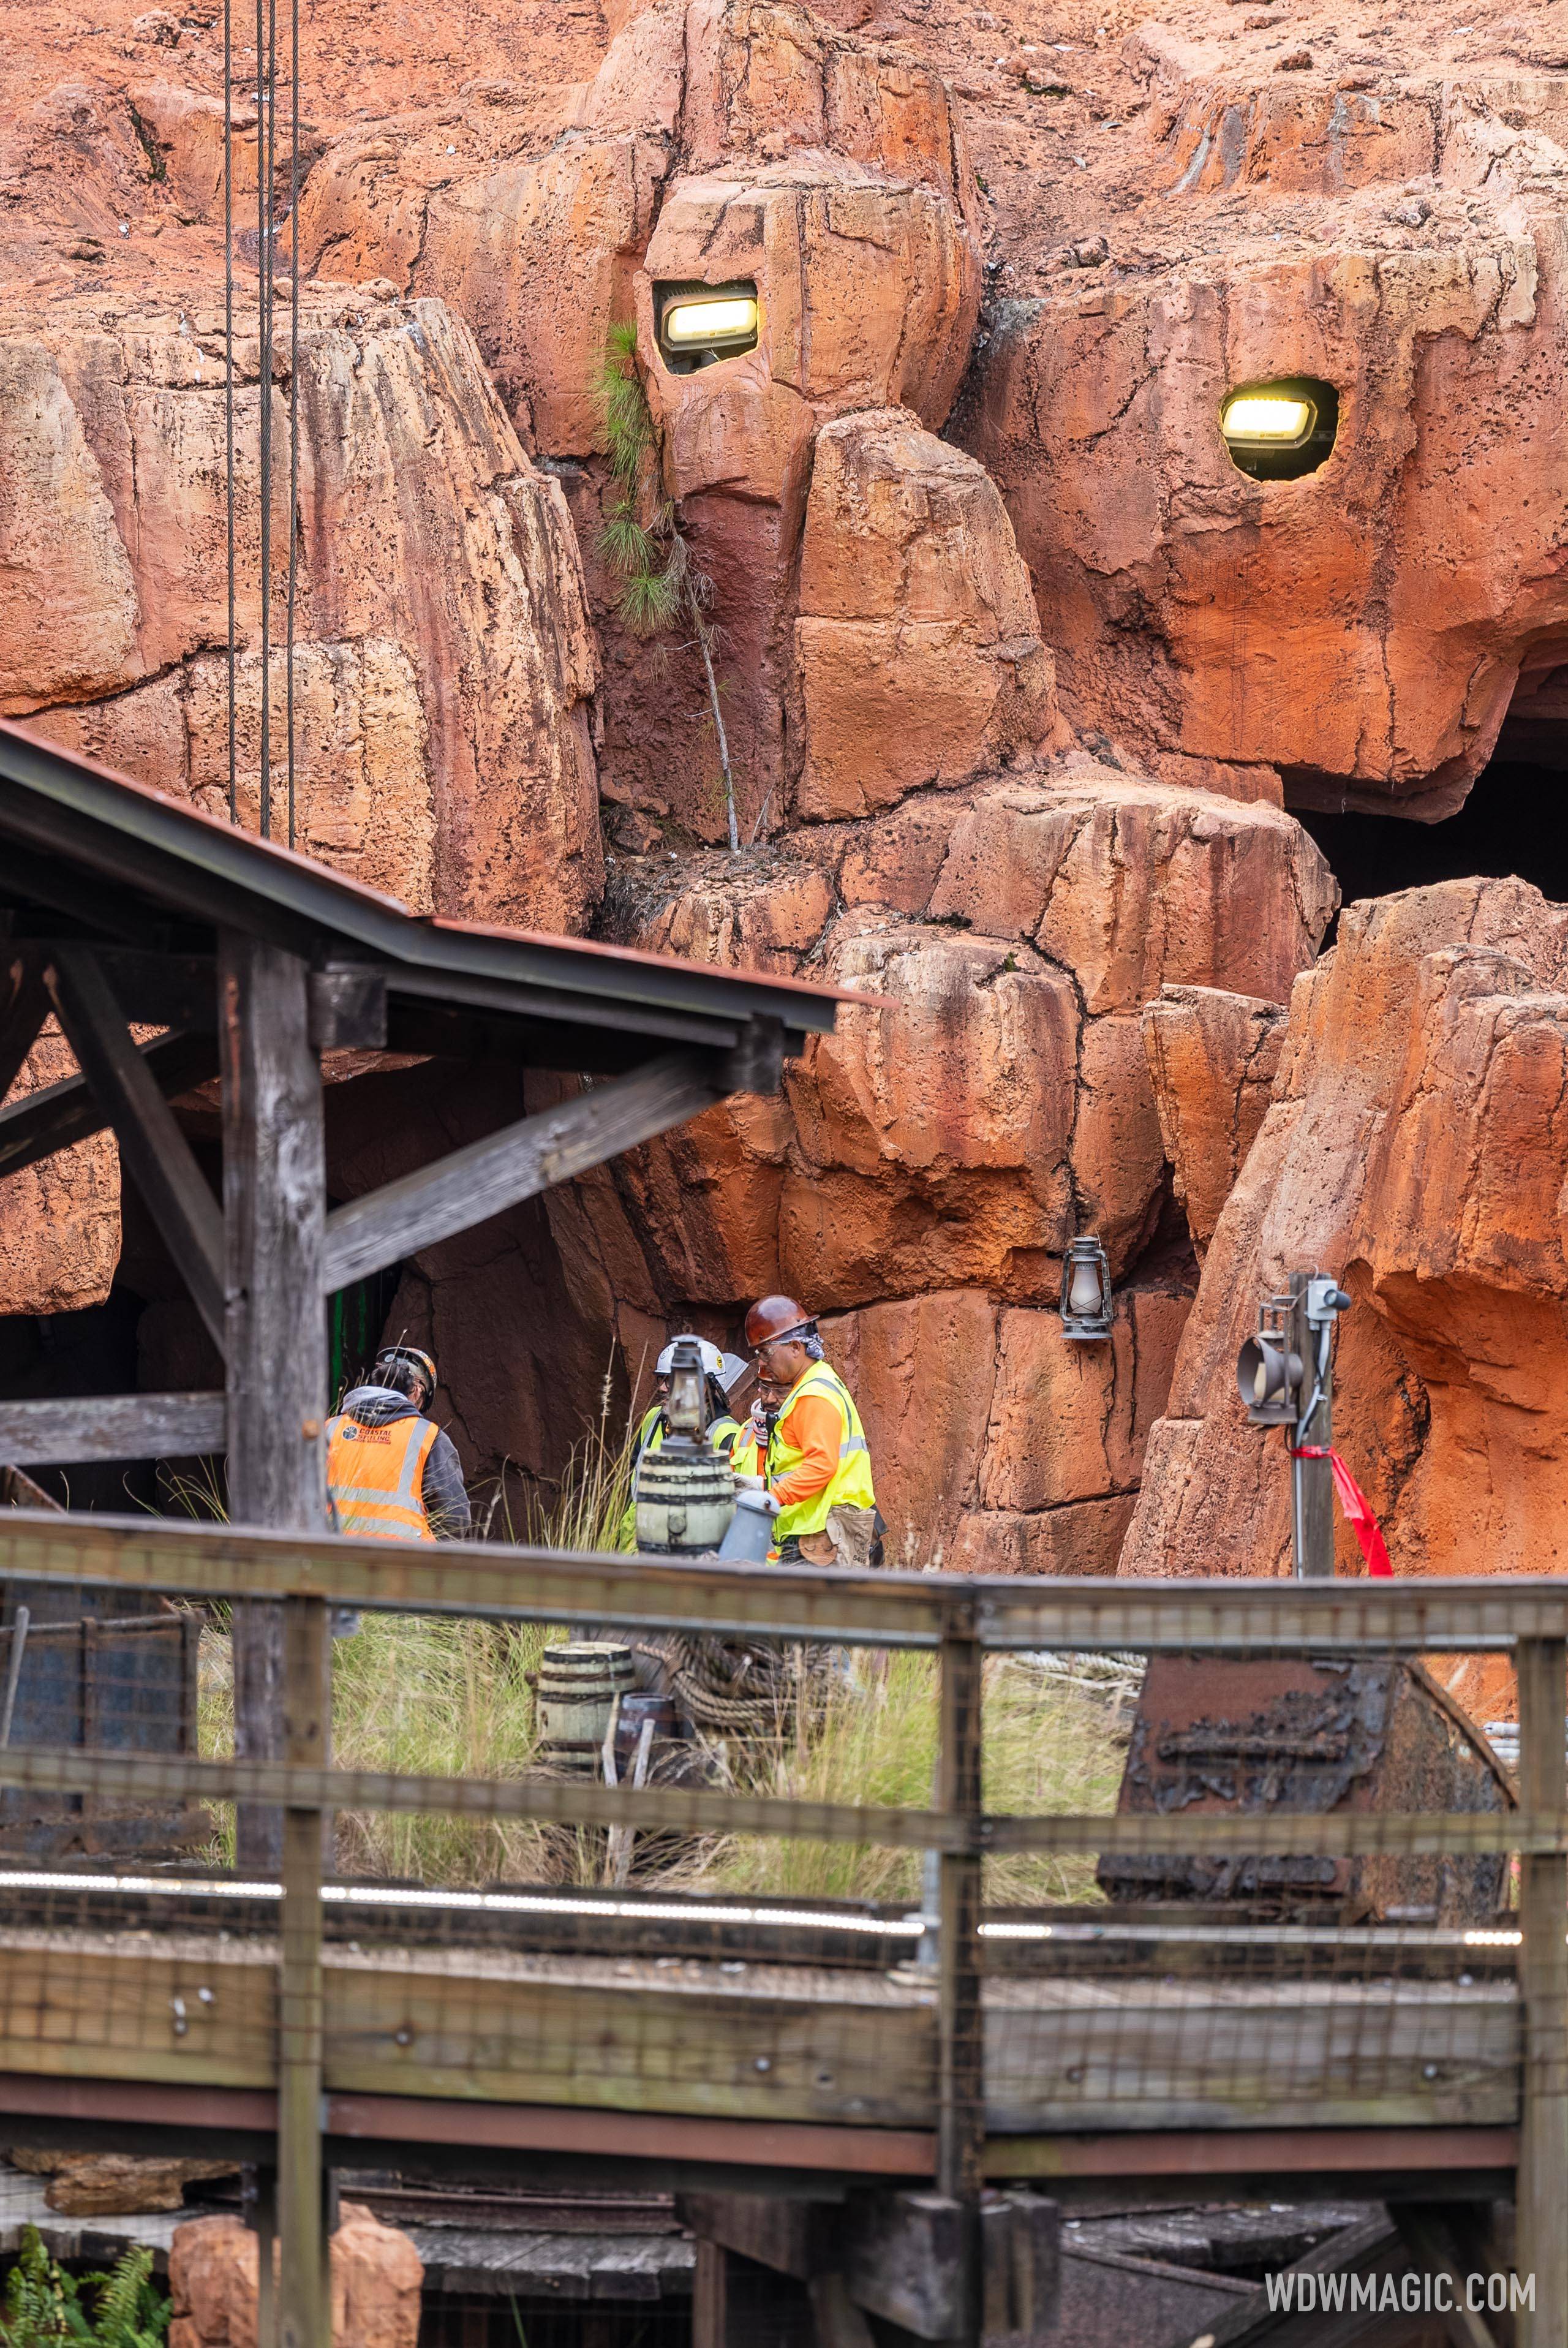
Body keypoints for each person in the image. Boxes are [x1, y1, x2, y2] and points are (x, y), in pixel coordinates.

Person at [743, 1295, 878, 1567]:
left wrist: (770, 1498)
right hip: (821, 1534)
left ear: (795, 1347)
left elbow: (821, 1466)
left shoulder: (813, 1393)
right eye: (758, 1354)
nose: (762, 1363)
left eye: (766, 1352)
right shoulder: (816, 1384)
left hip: (822, 1537)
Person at [326, 1345, 471, 1541]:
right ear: (418, 1391)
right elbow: (454, 1519)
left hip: (327, 1558)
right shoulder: (428, 1437)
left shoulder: (330, 1428)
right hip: (404, 1565)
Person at [619, 1336, 748, 1548]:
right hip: (634, 1547)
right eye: (662, 1380)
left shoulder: (725, 1434)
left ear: (704, 1386)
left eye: (671, 1381)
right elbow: (631, 1481)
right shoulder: (654, 1418)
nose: (662, 1388)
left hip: (685, 1552)